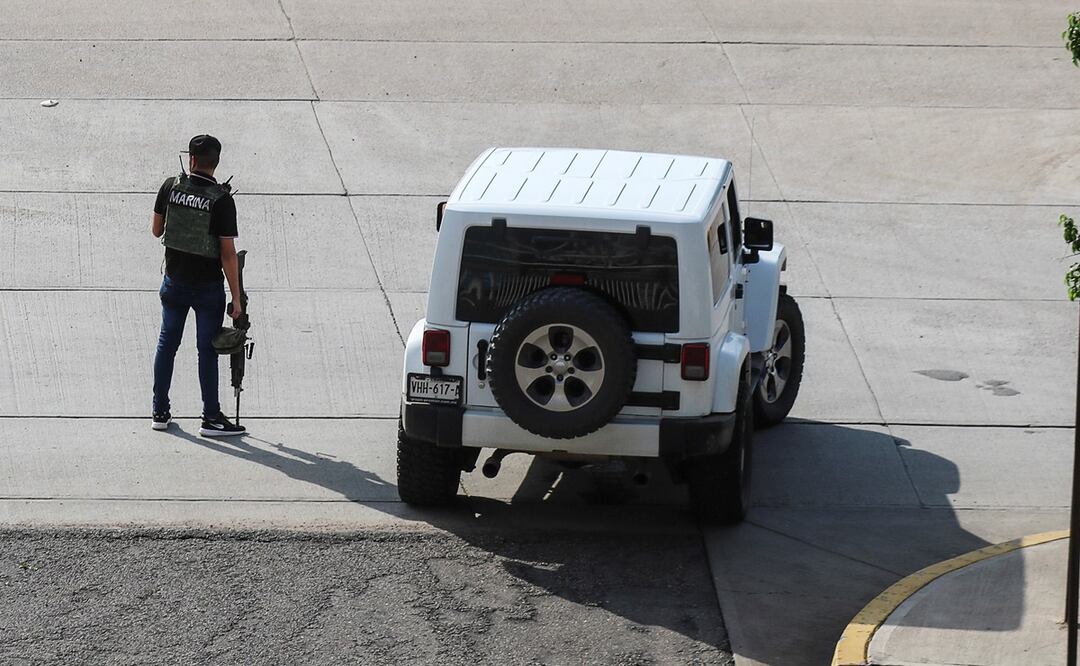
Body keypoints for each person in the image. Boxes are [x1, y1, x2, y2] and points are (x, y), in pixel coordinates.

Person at [150, 134, 246, 436]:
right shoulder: (222, 201)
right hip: (208, 289)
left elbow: (156, 231)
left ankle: (159, 412)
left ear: (191, 159)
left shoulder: (170, 187)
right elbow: (228, 254)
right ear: (215, 164)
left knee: (167, 345)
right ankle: (211, 418)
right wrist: (237, 299)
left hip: (174, 283)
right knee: (207, 350)